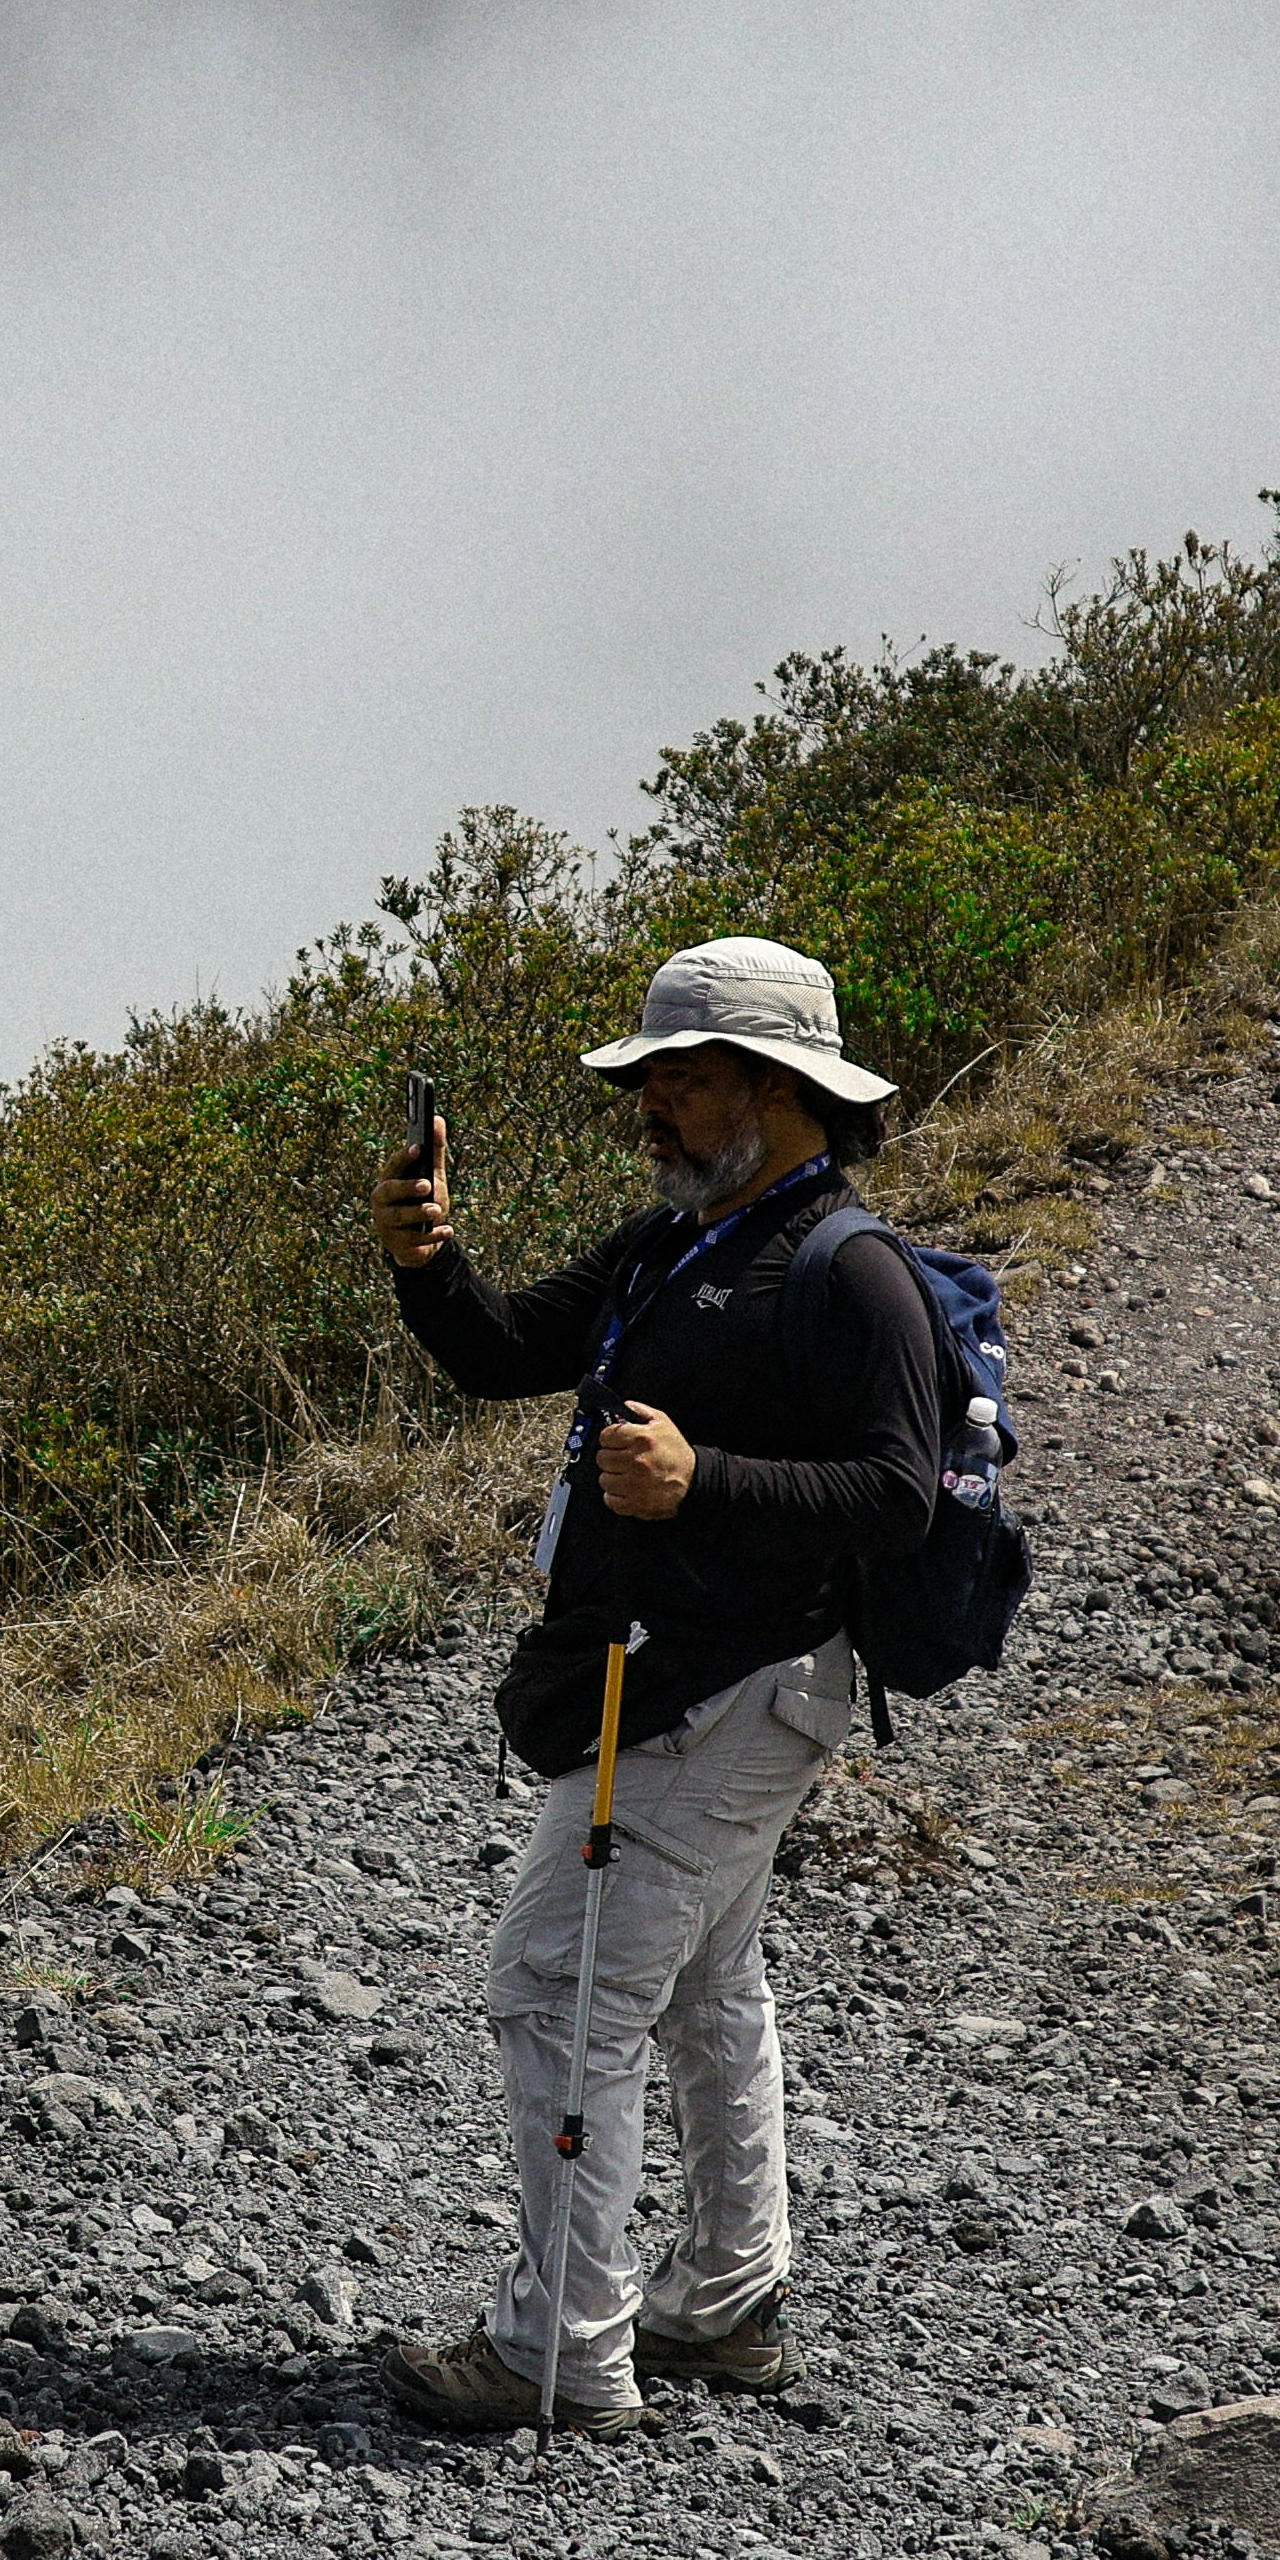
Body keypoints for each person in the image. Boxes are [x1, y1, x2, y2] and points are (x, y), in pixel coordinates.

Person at [369, 934, 938, 2434]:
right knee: (700, 1988)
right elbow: (504, 1355)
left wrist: (704, 1483)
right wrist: (429, 1265)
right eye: (651, 1085)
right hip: (671, 1688)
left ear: (773, 1091)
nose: (650, 1112)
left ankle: (562, 2348)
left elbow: (899, 1496)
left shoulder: (853, 1275)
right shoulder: (663, 1250)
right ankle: (728, 2302)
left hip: (726, 1698)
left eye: (675, 1085)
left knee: (557, 1986)